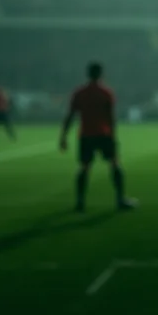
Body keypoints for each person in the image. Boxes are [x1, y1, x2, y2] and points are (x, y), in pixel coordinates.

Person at [59, 62, 136, 213]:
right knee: (114, 163)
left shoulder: (79, 93)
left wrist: (63, 136)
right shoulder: (106, 93)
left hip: (86, 135)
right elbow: (111, 117)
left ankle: (80, 202)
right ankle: (120, 199)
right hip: (104, 134)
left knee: (84, 167)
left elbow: (71, 116)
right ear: (101, 74)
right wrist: (113, 136)